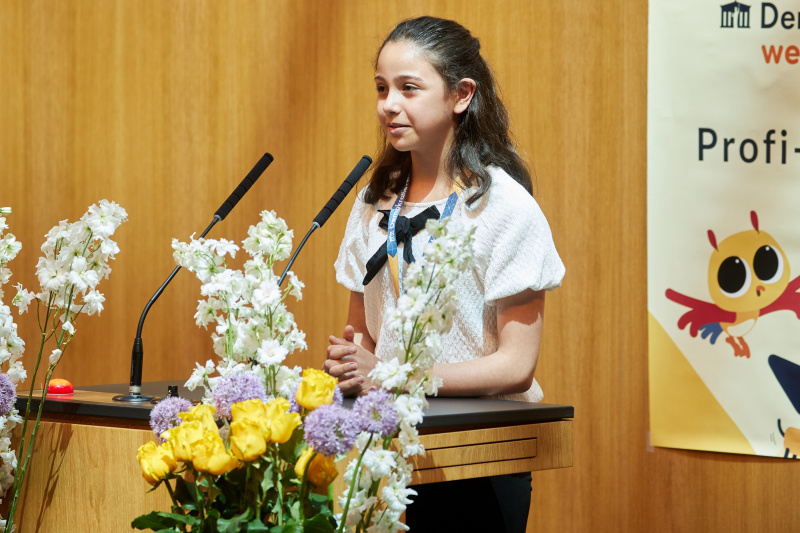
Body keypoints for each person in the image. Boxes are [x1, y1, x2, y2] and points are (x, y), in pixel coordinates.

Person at [323, 16, 565, 532]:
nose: (390, 104)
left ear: (461, 95)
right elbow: (362, 338)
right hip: (388, 452)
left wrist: (392, 376)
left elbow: (514, 368)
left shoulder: (505, 208)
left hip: (481, 455)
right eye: (382, 88)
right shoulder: (372, 205)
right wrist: (350, 364)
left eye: (409, 88)